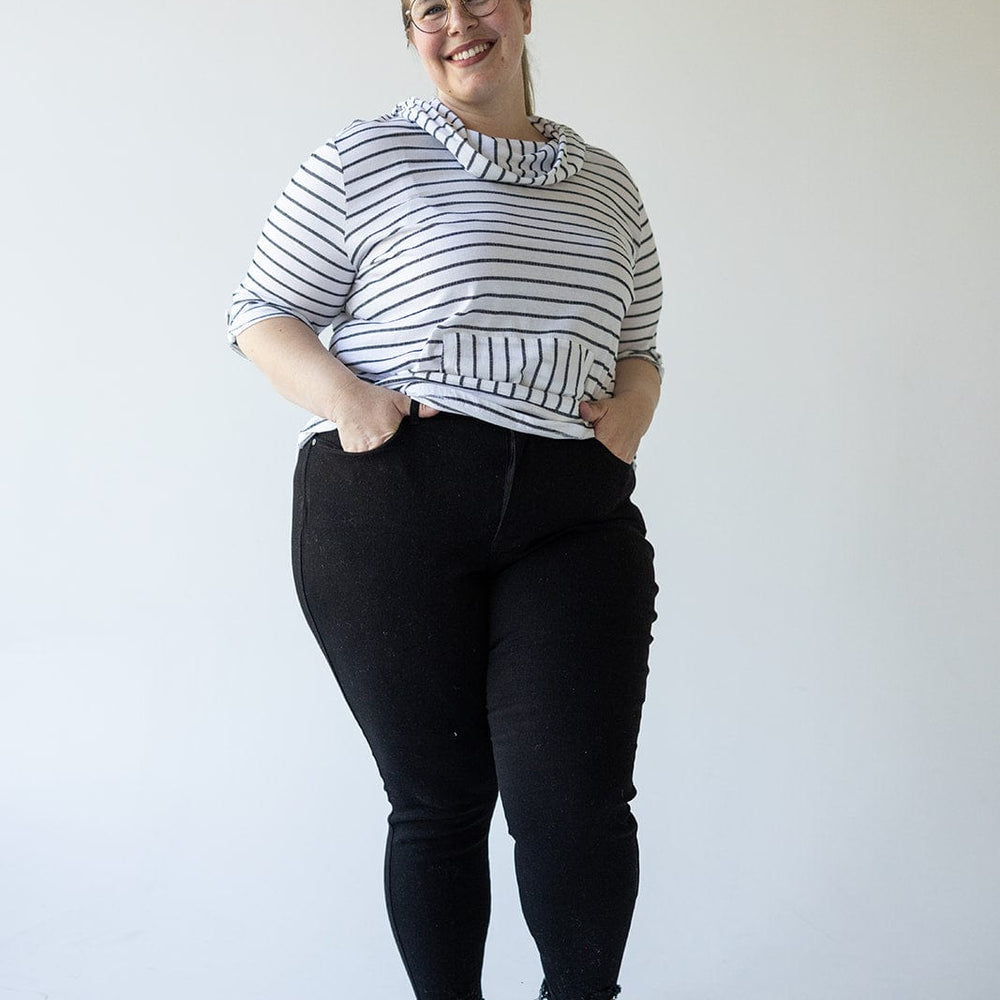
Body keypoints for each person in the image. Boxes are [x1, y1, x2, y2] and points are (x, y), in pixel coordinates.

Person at [226, 2, 663, 998]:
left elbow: (638, 338)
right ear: (411, 32)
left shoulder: (606, 184)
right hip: (395, 508)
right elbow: (261, 311)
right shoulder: (365, 158)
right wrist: (352, 401)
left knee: (577, 804)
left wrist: (634, 404)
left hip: (572, 515)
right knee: (440, 802)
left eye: (478, 2)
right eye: (429, 9)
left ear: (520, 14)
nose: (457, 23)